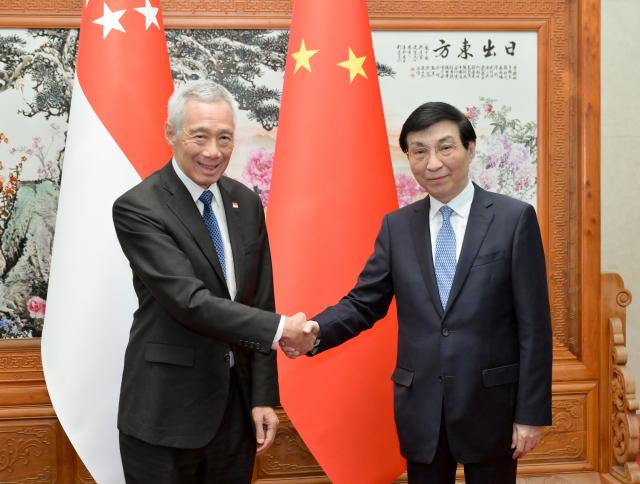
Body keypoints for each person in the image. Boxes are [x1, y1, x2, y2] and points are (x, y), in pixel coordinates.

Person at [283, 101, 552, 484]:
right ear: (407, 157)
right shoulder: (397, 227)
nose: (433, 163)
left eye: (446, 147)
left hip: (492, 405)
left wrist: (532, 412)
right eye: (419, 151)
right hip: (421, 408)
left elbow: (534, 326)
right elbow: (364, 302)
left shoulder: (514, 219)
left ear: (470, 148)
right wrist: (314, 330)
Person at [112, 80, 317, 484]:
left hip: (234, 413)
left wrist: (262, 397)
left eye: (225, 138)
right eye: (199, 136)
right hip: (164, 415)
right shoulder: (139, 207)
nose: (213, 151)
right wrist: (282, 330)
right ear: (171, 134)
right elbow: (190, 301)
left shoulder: (245, 201)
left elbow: (259, 298)